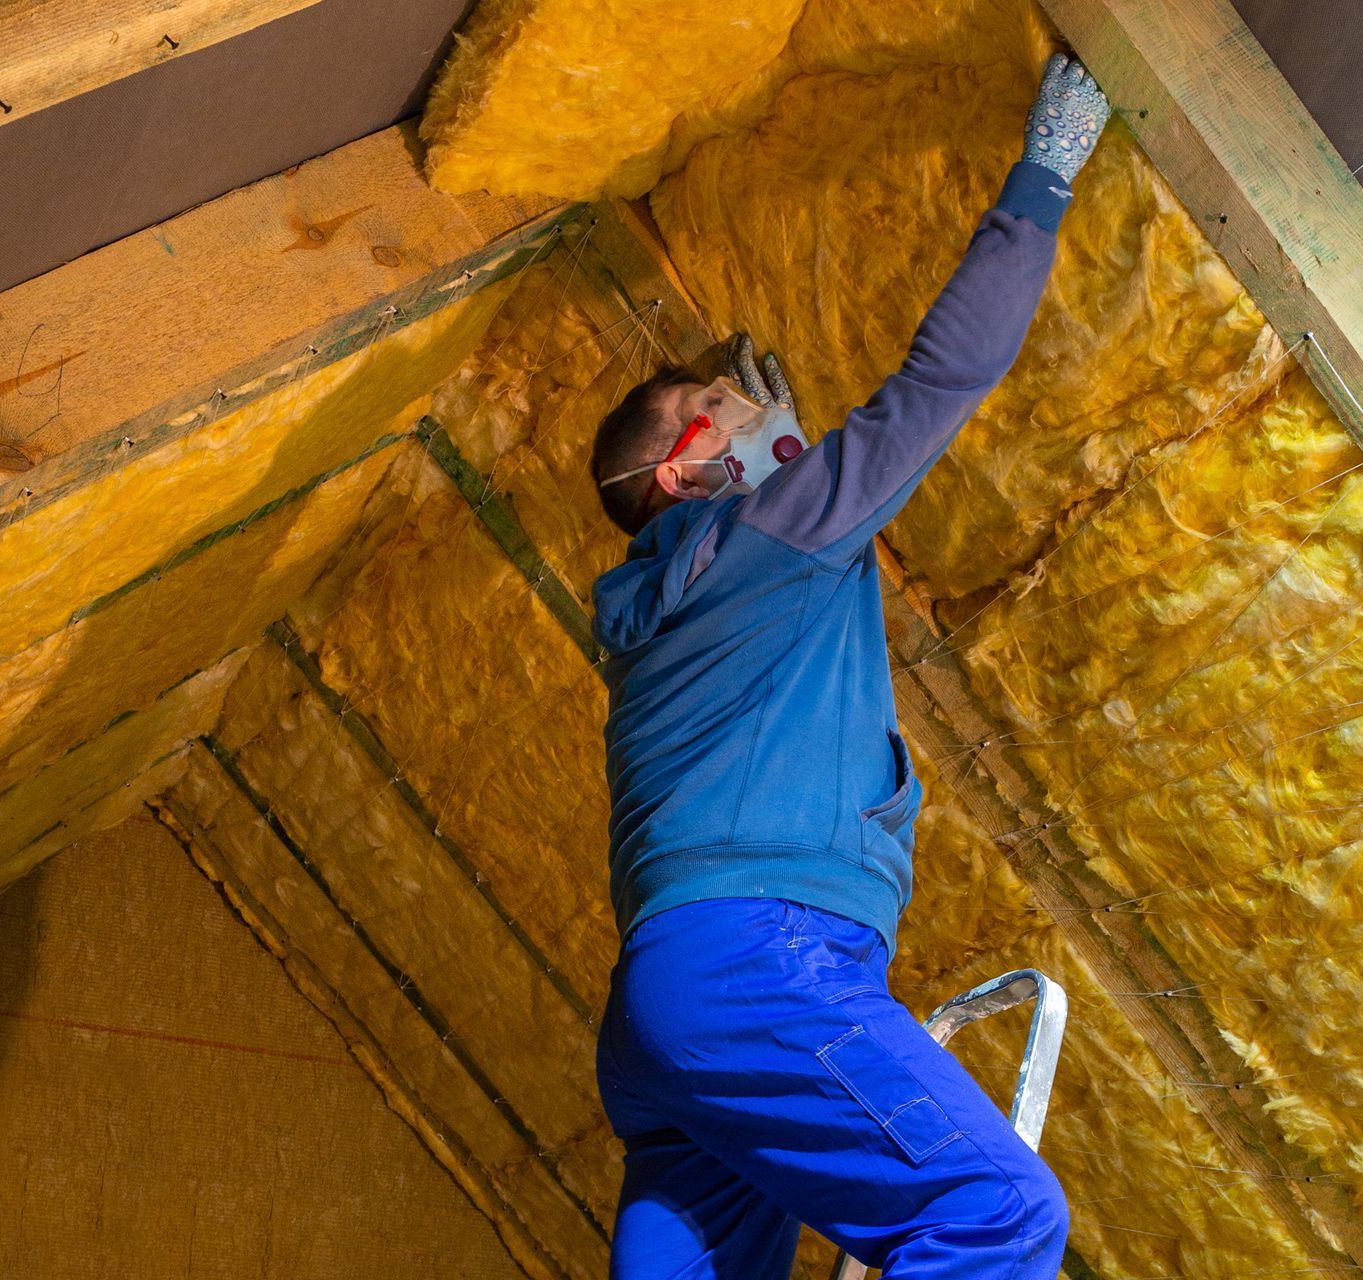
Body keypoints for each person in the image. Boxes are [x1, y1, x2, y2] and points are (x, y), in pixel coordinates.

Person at [584, 53, 1111, 1280]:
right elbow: (938, 384)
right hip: (762, 962)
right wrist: (1047, 173)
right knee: (997, 1218)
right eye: (725, 401)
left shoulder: (659, 613)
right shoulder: (771, 535)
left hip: (672, 1008)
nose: (766, 411)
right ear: (681, 469)